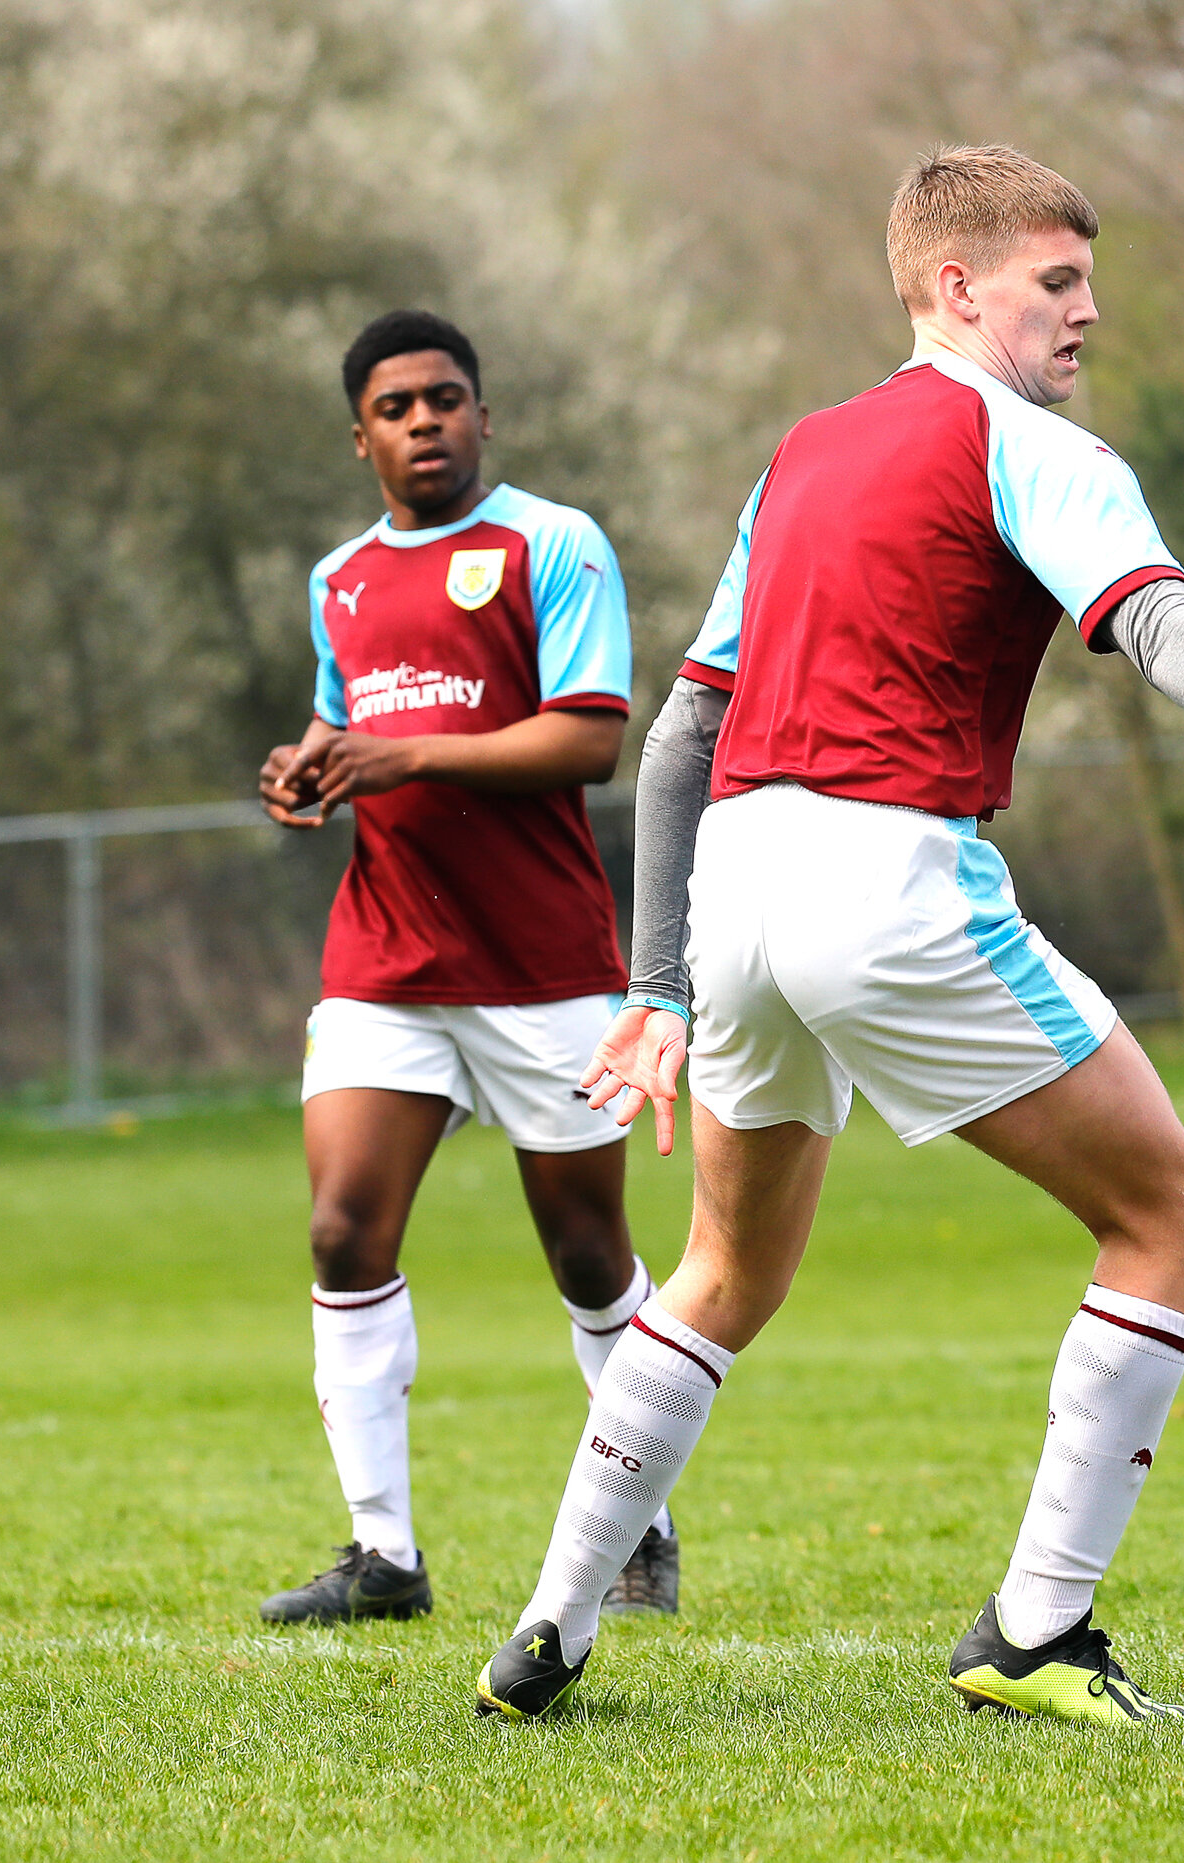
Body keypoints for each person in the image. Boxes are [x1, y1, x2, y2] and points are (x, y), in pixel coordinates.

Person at [474, 146, 1184, 1723]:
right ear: (958, 288)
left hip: (737, 881)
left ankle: (548, 1626)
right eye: (1057, 283)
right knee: (1176, 1216)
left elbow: (683, 733)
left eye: (1089, 282)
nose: (1088, 314)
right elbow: (1154, 625)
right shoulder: (1034, 445)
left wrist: (658, 980)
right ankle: (1038, 1632)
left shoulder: (801, 451)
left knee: (725, 1267)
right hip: (890, 885)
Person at [254, 309, 682, 1625]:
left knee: (588, 1254)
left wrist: (408, 756)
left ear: (483, 417)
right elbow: (350, 726)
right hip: (385, 959)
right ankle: (383, 1557)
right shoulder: (338, 579)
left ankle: (644, 1527)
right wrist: (306, 767)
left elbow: (589, 740)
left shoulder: (551, 543)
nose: (424, 420)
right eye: (396, 407)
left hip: (545, 968)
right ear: (361, 437)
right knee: (341, 1232)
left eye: (446, 399)